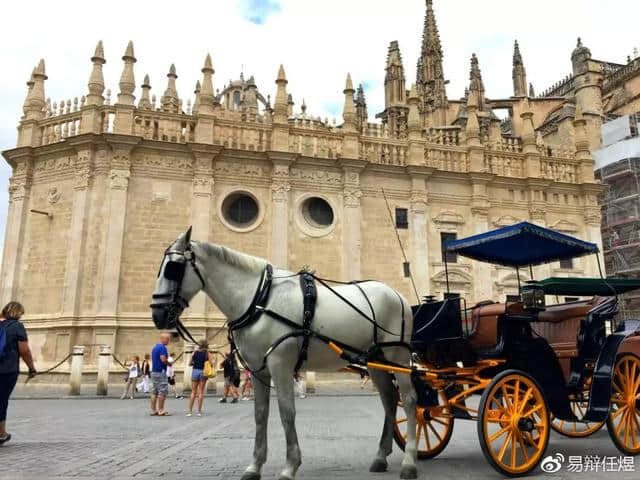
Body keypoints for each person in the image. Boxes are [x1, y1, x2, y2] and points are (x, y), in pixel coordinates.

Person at [0, 302, 36, 445]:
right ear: (18, 313)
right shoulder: (16, 327)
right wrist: (31, 368)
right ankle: (1, 433)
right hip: (7, 370)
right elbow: (24, 351)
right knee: (1, 400)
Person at [187, 340, 213, 416]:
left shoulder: (194, 352)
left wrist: (194, 364)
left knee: (193, 392)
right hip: (203, 372)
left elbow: (189, 364)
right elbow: (211, 364)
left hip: (195, 371)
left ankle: (190, 412)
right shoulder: (207, 353)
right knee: (201, 391)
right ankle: (199, 412)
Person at [150, 333, 171, 416]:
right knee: (162, 391)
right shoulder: (162, 347)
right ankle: (161, 410)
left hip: (154, 371)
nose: (168, 341)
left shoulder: (155, 347)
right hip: (161, 372)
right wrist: (168, 363)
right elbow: (163, 359)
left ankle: (153, 410)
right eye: (168, 339)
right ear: (163, 339)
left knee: (154, 391)